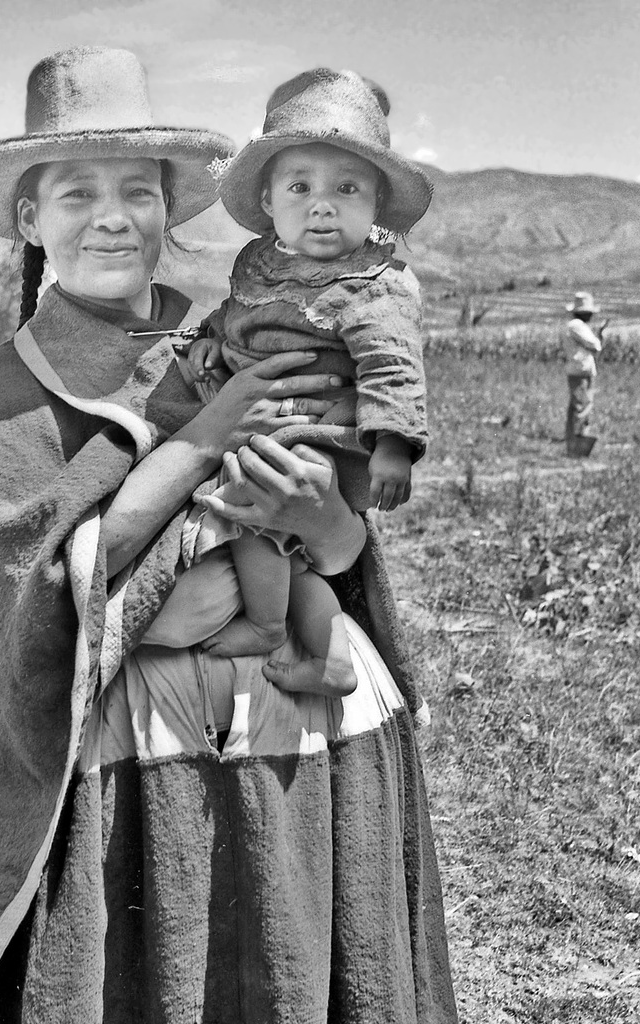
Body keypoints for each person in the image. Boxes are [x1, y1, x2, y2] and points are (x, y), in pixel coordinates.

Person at [0, 46, 458, 1024]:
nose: (111, 216)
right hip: (134, 760)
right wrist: (209, 431)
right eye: (75, 193)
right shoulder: (0, 397)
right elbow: (49, 588)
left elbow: (344, 550)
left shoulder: (240, 330)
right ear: (28, 218)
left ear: (167, 208)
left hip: (308, 733)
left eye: (135, 192)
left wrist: (320, 515)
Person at [180, 68, 433, 696]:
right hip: (278, 422)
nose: (322, 204)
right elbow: (238, 313)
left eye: (347, 188)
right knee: (282, 541)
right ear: (268, 204)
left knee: (256, 501)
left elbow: (392, 364)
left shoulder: (375, 285)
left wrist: (395, 445)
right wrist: (213, 337)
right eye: (300, 187)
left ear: (376, 205)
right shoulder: (261, 264)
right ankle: (329, 654)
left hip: (324, 431)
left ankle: (267, 626)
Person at [563, 291, 606, 456]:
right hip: (580, 371)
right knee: (581, 407)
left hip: (581, 370)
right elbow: (595, 345)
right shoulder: (577, 326)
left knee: (579, 406)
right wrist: (598, 338)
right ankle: (576, 447)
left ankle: (575, 444)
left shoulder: (577, 326)